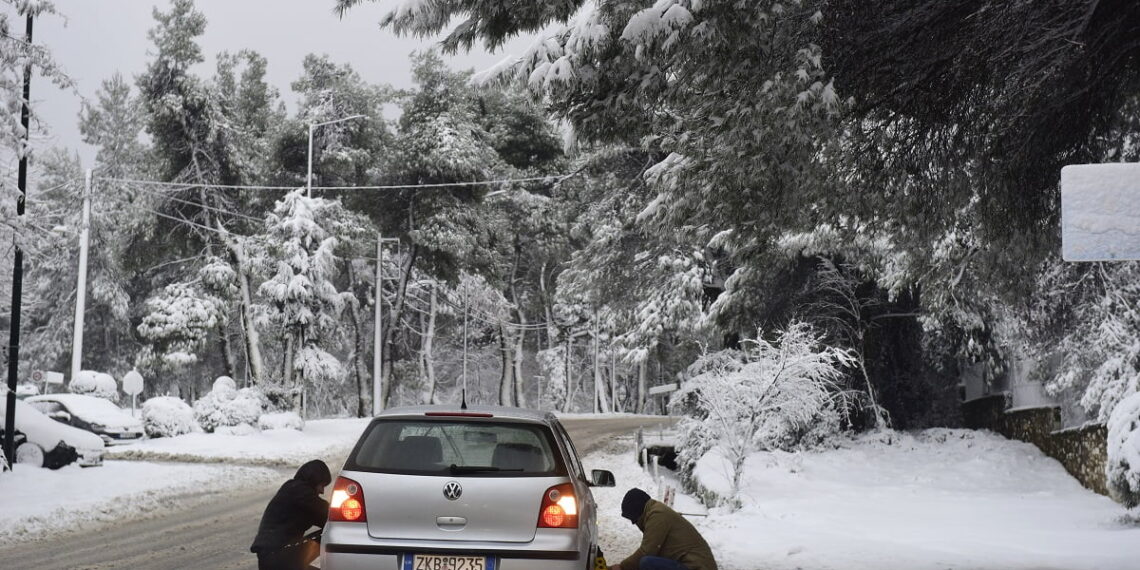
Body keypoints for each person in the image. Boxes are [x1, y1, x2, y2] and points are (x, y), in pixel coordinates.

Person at [250, 459, 332, 570]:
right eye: (322, 485)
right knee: (330, 533)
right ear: (314, 479)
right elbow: (330, 517)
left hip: (271, 556)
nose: (322, 491)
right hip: (278, 555)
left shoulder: (292, 489)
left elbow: (324, 519)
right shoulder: (301, 492)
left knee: (330, 530)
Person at [609, 488, 718, 570]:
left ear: (638, 511)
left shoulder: (657, 515)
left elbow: (646, 552)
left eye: (633, 518)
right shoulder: (656, 511)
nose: (634, 523)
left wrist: (621, 567)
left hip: (696, 567)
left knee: (647, 562)